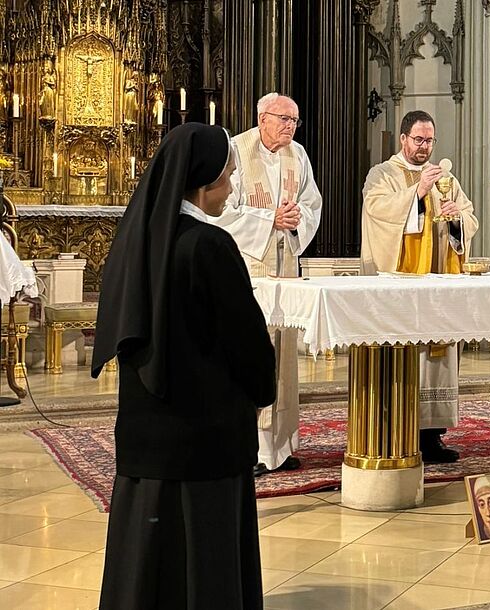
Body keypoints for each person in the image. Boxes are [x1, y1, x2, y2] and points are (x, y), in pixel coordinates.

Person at [92, 123, 276, 610]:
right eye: (227, 177)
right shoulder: (209, 245)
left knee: (148, 570)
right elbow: (247, 342)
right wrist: (263, 391)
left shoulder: (135, 240)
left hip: (146, 438)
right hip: (204, 440)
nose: (231, 188)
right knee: (202, 566)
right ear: (202, 182)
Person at [211, 92, 322, 477]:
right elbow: (221, 209)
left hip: (285, 265)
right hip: (248, 270)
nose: (290, 127)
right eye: (284, 119)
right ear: (262, 118)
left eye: (294, 120)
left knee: (283, 357)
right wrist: (268, 219)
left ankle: (280, 447)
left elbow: (312, 203)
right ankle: (250, 447)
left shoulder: (298, 155)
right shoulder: (236, 152)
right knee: (251, 353)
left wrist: (296, 218)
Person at [360, 110, 479, 463]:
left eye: (429, 140)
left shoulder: (446, 178)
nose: (424, 147)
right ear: (403, 139)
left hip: (438, 281)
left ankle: (432, 435)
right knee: (406, 354)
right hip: (401, 285)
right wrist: (417, 192)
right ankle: (396, 428)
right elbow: (377, 210)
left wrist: (457, 218)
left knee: (437, 357)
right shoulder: (382, 174)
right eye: (418, 140)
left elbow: (468, 218)